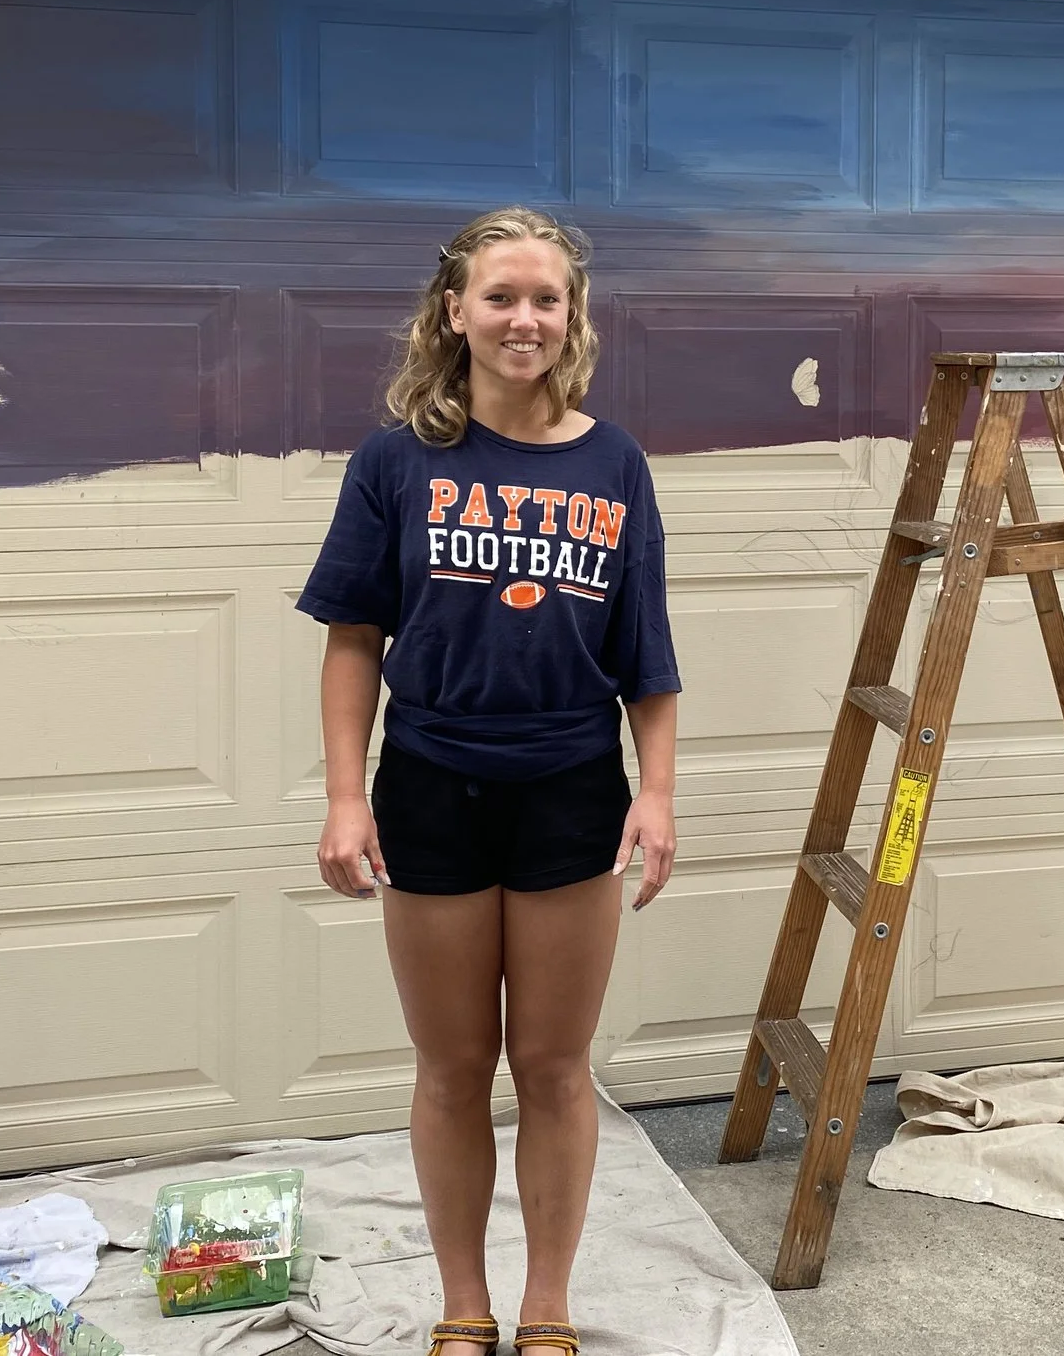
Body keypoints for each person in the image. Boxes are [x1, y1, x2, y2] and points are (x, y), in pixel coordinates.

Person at [299, 206, 680, 1356]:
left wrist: (653, 795)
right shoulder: (396, 460)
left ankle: (547, 1303)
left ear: (573, 320)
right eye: (501, 296)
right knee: (454, 1068)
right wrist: (343, 795)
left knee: (555, 1069)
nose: (525, 318)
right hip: (430, 787)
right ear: (454, 311)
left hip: (570, 791)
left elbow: (647, 658)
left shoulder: (615, 464)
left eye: (547, 298)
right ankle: (464, 1304)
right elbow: (354, 637)